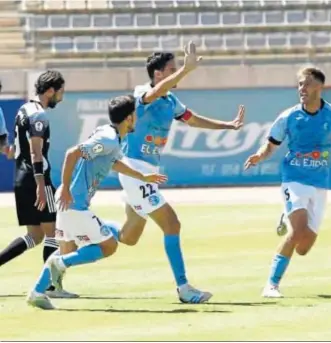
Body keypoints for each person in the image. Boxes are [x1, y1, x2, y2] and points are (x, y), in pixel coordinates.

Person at [118, 41, 245, 304]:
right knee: (172, 224)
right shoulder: (143, 92)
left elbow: (193, 119)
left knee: (128, 237)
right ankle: (184, 288)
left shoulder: (171, 100)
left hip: (146, 172)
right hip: (134, 169)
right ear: (158, 74)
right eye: (172, 69)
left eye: (178, 69)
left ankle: (82, 236)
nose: (177, 73)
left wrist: (228, 126)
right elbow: (153, 95)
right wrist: (186, 70)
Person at [244, 67, 331, 298]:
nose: (302, 89)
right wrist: (259, 155)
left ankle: (288, 216)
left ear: (319, 86)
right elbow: (270, 145)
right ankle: (271, 285)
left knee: (303, 248)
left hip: (321, 184)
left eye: (306, 84)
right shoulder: (288, 116)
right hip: (294, 179)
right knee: (297, 231)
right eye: (299, 85)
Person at [26, 94, 167, 309]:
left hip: (70, 202)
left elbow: (114, 162)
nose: (137, 119)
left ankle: (37, 291)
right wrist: (64, 187)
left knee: (67, 247)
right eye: (135, 115)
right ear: (129, 118)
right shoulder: (109, 139)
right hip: (73, 203)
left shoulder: (111, 136)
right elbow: (71, 153)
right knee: (108, 245)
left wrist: (142, 177)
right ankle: (60, 264)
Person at [0, 70, 76, 298]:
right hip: (36, 179)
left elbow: (14, 149)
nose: (61, 97)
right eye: (60, 92)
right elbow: (35, 151)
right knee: (53, 232)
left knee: (34, 235)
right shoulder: (39, 115)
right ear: (51, 90)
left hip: (20, 178)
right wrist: (41, 186)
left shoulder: (24, 109)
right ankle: (52, 287)